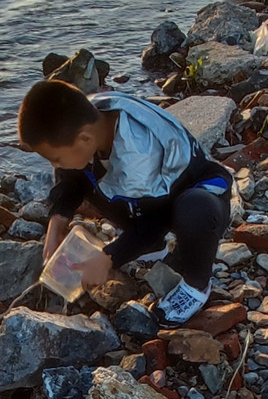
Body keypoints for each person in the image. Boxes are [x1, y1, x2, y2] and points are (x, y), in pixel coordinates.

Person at [17, 78, 234, 325]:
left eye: (54, 158)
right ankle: (152, 251)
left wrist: (109, 257)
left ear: (85, 138)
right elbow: (70, 179)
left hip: (197, 193)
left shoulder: (139, 156)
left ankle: (197, 284)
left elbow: (154, 225)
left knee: (195, 210)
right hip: (150, 198)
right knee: (81, 170)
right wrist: (57, 221)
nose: (53, 165)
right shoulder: (93, 119)